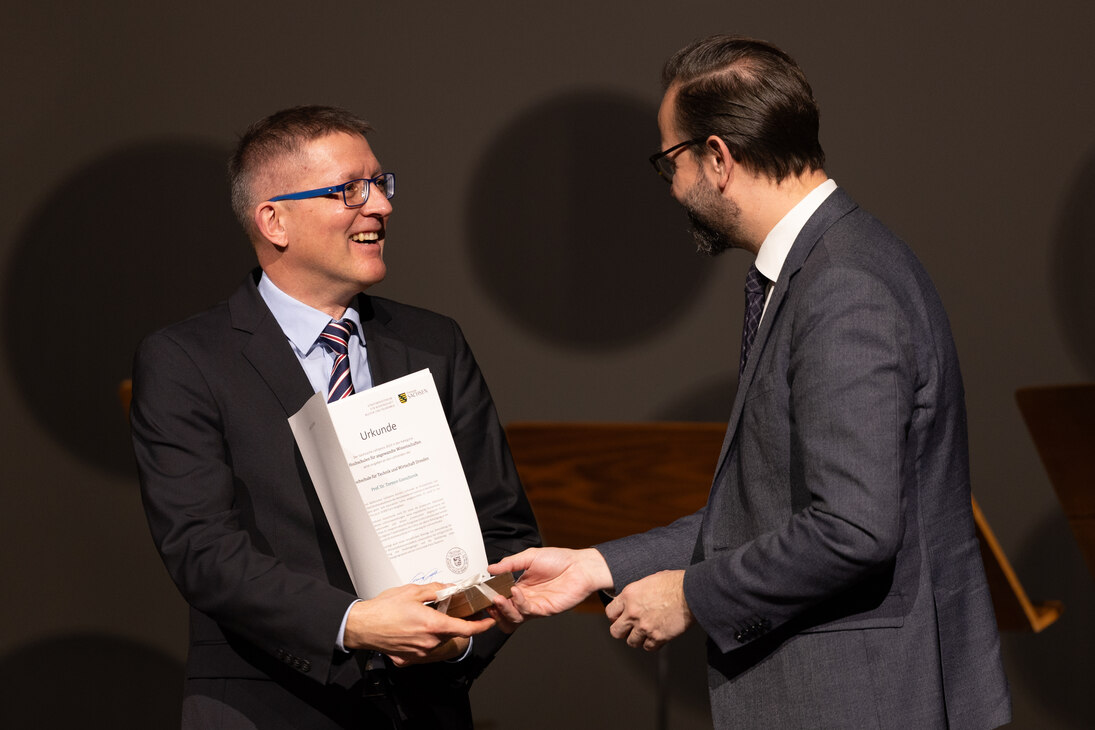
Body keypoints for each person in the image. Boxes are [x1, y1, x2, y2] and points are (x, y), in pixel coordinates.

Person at [491, 35, 1011, 729]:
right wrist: (596, 565)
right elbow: (767, 512)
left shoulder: (842, 286)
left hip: (864, 700)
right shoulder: (826, 265)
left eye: (669, 161)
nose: (672, 185)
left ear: (717, 158)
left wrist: (691, 596)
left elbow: (851, 530)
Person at [131, 105, 540, 729]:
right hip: (265, 705)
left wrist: (457, 639)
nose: (380, 206)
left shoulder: (434, 343)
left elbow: (505, 532)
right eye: (349, 190)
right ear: (275, 219)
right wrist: (354, 624)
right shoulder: (187, 359)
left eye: (381, 184)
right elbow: (201, 549)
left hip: (425, 705)